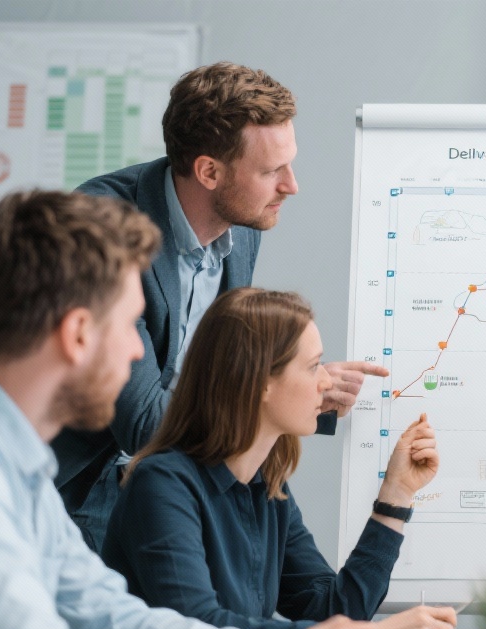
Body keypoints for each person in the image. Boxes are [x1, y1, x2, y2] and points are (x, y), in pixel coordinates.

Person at [0, 190, 393, 629]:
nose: (139, 352)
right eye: (131, 326)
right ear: (79, 335)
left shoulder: (10, 460)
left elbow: (116, 623)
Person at [52, 61, 387, 551]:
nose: (291, 186)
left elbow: (217, 371)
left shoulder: (241, 226)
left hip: (176, 477)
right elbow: (143, 420)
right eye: (272, 171)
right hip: (87, 487)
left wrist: (304, 388)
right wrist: (277, 400)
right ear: (208, 171)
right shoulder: (103, 229)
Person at [102, 287, 457, 629]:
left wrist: (395, 496)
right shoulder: (162, 485)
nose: (326, 381)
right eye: (312, 366)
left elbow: (334, 612)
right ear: (258, 382)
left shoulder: (268, 486)